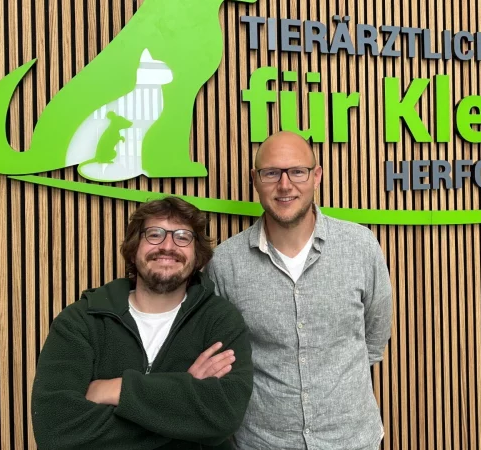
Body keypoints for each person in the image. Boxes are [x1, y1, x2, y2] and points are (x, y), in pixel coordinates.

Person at [207, 131, 393, 449]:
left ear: (316, 176)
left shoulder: (361, 246)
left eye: (297, 171)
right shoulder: (226, 262)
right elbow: (223, 356)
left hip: (352, 441)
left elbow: (374, 340)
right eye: (271, 173)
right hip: (262, 443)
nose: (284, 185)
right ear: (255, 179)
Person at [31, 197, 253, 449]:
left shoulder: (220, 320)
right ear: (134, 247)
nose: (168, 246)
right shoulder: (80, 321)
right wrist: (182, 395)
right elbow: (56, 430)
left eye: (182, 237)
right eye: (154, 234)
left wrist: (118, 389)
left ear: (197, 254)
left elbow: (222, 416)